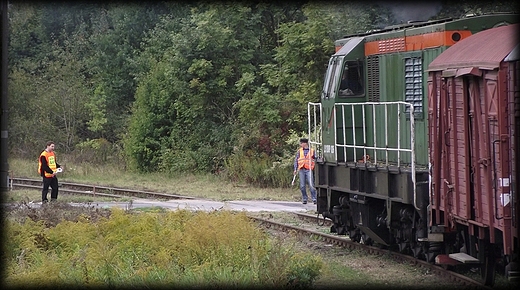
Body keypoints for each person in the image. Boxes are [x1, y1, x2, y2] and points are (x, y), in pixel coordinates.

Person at [293, 138, 317, 204]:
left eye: (301, 143)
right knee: (302, 186)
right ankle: (305, 198)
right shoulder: (299, 151)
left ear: (305, 143)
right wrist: (295, 169)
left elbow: (316, 158)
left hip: (309, 169)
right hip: (301, 169)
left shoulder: (312, 151)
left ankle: (314, 198)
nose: (300, 144)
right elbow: (296, 160)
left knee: (311, 184)